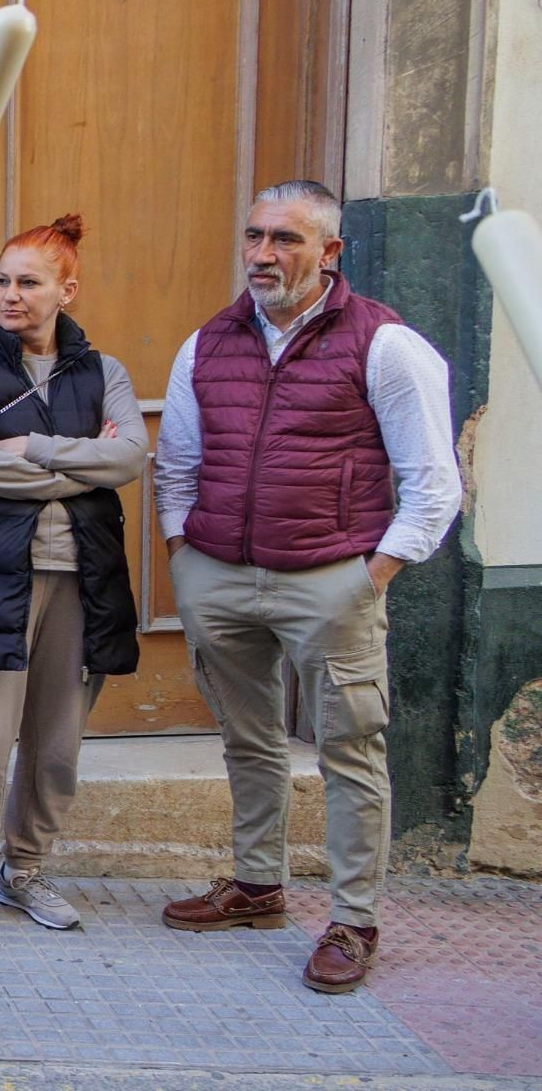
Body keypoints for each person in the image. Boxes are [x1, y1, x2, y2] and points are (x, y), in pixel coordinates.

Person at [155, 180, 461, 994]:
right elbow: (178, 463)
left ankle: (354, 920)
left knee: (351, 751)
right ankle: (257, 887)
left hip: (333, 579)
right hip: (218, 572)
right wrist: (186, 555)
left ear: (330, 253)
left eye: (285, 239)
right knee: (245, 739)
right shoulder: (207, 343)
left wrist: (371, 577)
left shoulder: (385, 345)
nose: (262, 254)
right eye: (254, 235)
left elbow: (433, 481)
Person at [0, 215, 145, 937]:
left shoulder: (103, 371)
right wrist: (80, 463)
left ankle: (28, 869)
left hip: (82, 576)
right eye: (2, 282)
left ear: (66, 291)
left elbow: (132, 457)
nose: (9, 296)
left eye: (28, 282)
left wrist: (37, 447)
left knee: (55, 742)